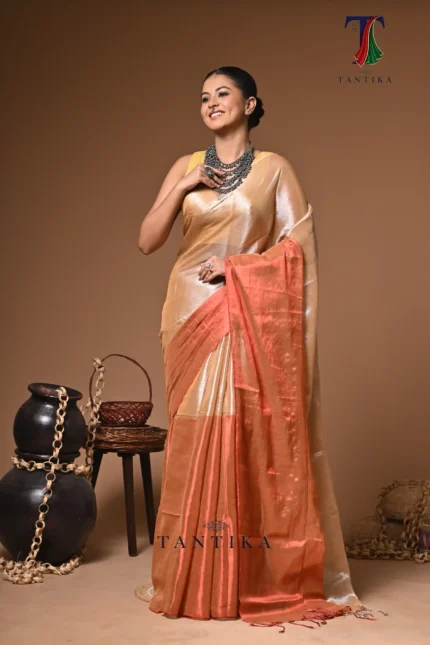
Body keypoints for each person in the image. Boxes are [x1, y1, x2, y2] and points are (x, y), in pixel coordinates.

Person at [134, 66, 376, 629]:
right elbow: (147, 241)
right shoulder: (185, 166)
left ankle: (239, 580)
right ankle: (190, 576)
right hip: (186, 312)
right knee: (194, 437)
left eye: (223, 94)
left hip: (242, 310)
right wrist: (183, 187)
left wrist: (238, 267)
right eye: (204, 97)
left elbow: (297, 250)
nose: (211, 103)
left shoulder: (274, 170)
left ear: (250, 104)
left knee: (237, 436)